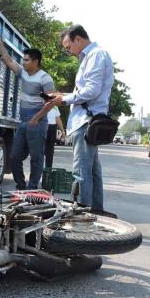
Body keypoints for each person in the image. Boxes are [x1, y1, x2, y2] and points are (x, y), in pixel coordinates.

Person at [45, 24, 114, 210]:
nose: (69, 52)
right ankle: (95, 213)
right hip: (88, 121)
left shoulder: (95, 55)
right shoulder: (92, 56)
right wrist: (61, 96)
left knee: (82, 173)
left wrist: (64, 100)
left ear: (78, 39)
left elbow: (91, 90)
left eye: (68, 47)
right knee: (92, 172)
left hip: (85, 122)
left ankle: (84, 219)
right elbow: (87, 90)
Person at [0, 34, 56, 189]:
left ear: (36, 61)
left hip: (38, 122)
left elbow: (51, 102)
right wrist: (0, 43)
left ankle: (32, 187)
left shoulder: (45, 78)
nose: (23, 62)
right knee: (14, 156)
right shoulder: (23, 73)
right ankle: (21, 185)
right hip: (23, 122)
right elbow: (8, 60)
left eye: (27, 60)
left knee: (36, 158)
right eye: (23, 59)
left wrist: (37, 117)